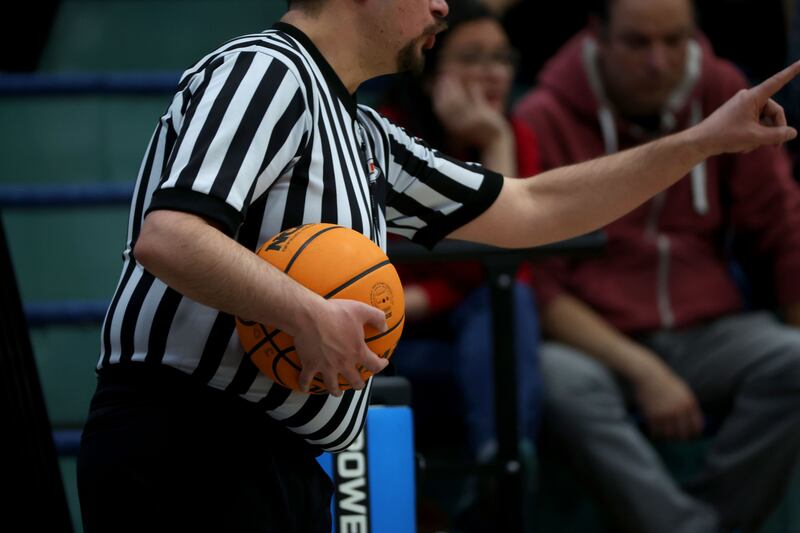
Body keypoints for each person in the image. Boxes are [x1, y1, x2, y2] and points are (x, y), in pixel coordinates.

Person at [75, 0, 800, 530]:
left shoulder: (363, 133)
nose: (442, 6)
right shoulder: (266, 71)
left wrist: (699, 142)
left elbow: (533, 208)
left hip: (279, 459)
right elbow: (171, 235)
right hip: (190, 444)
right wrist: (306, 312)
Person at [513, 0, 800, 531]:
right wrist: (645, 372)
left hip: (710, 330)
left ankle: (704, 522)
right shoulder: (545, 115)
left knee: (794, 357)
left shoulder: (722, 92)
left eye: (675, 41)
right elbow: (540, 289)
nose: (659, 61)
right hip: (597, 341)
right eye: (638, 43)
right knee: (555, 380)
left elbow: (781, 225)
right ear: (597, 34)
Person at [378, 0, 541, 463]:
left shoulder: (514, 135)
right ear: (430, 69)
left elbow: (512, 267)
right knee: (500, 329)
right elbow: (383, 276)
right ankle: (502, 468)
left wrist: (496, 144)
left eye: (502, 59)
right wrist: (449, 285)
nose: (493, 74)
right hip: (391, 343)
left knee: (506, 304)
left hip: (475, 337)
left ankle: (501, 471)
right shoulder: (386, 136)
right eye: (472, 58)